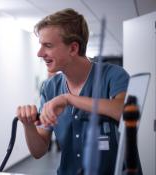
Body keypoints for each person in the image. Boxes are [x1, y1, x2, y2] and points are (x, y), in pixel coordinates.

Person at [16, 8, 130, 175]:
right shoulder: (50, 88)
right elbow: (39, 151)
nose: (40, 53)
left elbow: (124, 112)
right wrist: (28, 126)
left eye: (47, 45)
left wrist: (69, 99)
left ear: (73, 49)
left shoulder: (113, 76)